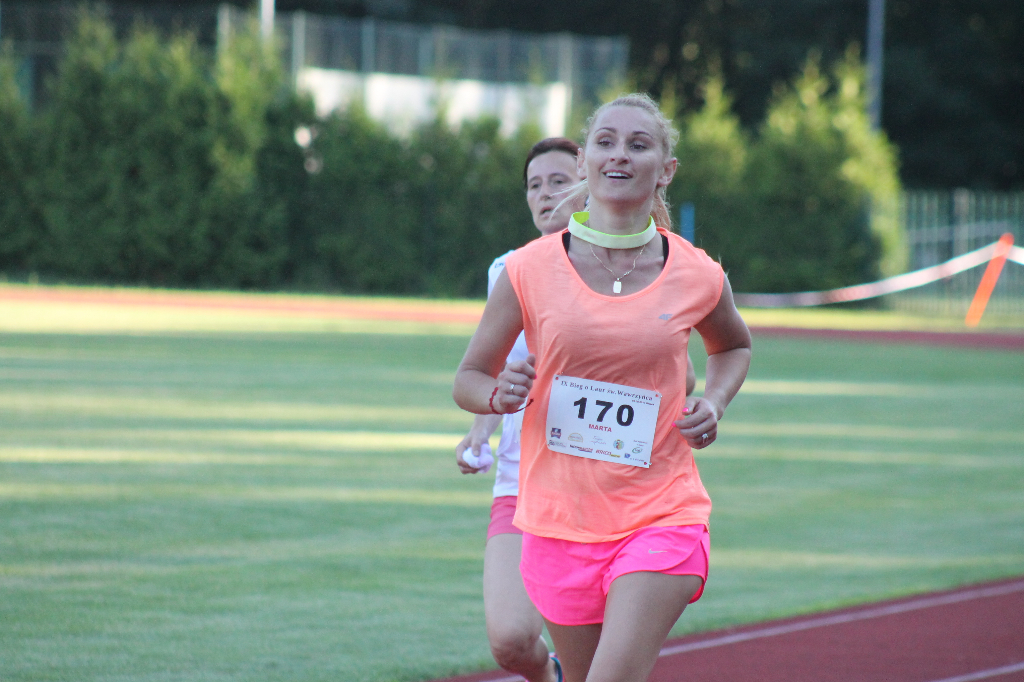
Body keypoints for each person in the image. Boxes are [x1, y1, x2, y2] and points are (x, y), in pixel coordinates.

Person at [453, 93, 751, 682]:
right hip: (556, 520)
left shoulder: (697, 272)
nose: (620, 155)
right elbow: (469, 378)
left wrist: (712, 401)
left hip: (660, 513)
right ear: (587, 158)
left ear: (665, 170)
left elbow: (733, 346)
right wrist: (496, 395)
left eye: (639, 145)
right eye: (606, 142)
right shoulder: (527, 269)